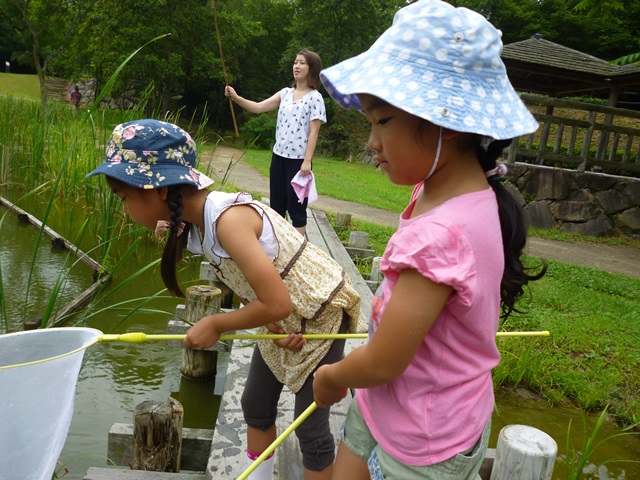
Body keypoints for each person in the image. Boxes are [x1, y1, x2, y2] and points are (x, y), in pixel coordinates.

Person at [312, 1, 547, 479]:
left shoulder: (442, 234)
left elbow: (383, 363)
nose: (371, 142)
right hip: (387, 402)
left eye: (382, 121)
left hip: (425, 440)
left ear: (447, 122)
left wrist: (331, 375)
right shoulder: (452, 193)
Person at [86, 118, 365, 480]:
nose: (125, 209)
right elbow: (259, 291)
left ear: (158, 189)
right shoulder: (197, 224)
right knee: (255, 406)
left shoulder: (227, 222)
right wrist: (273, 325)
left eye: (125, 198)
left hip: (321, 311)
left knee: (308, 425)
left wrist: (217, 323)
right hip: (285, 315)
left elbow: (278, 300)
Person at [225, 49, 326, 236]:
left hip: (298, 162)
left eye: (302, 63)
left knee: (296, 210)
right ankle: (278, 247)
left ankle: (297, 250)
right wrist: (236, 98)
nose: (297, 66)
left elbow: (314, 132)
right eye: (295, 62)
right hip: (278, 157)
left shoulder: (315, 98)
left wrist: (307, 161)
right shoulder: (285, 93)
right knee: (277, 207)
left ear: (312, 68)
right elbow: (258, 107)